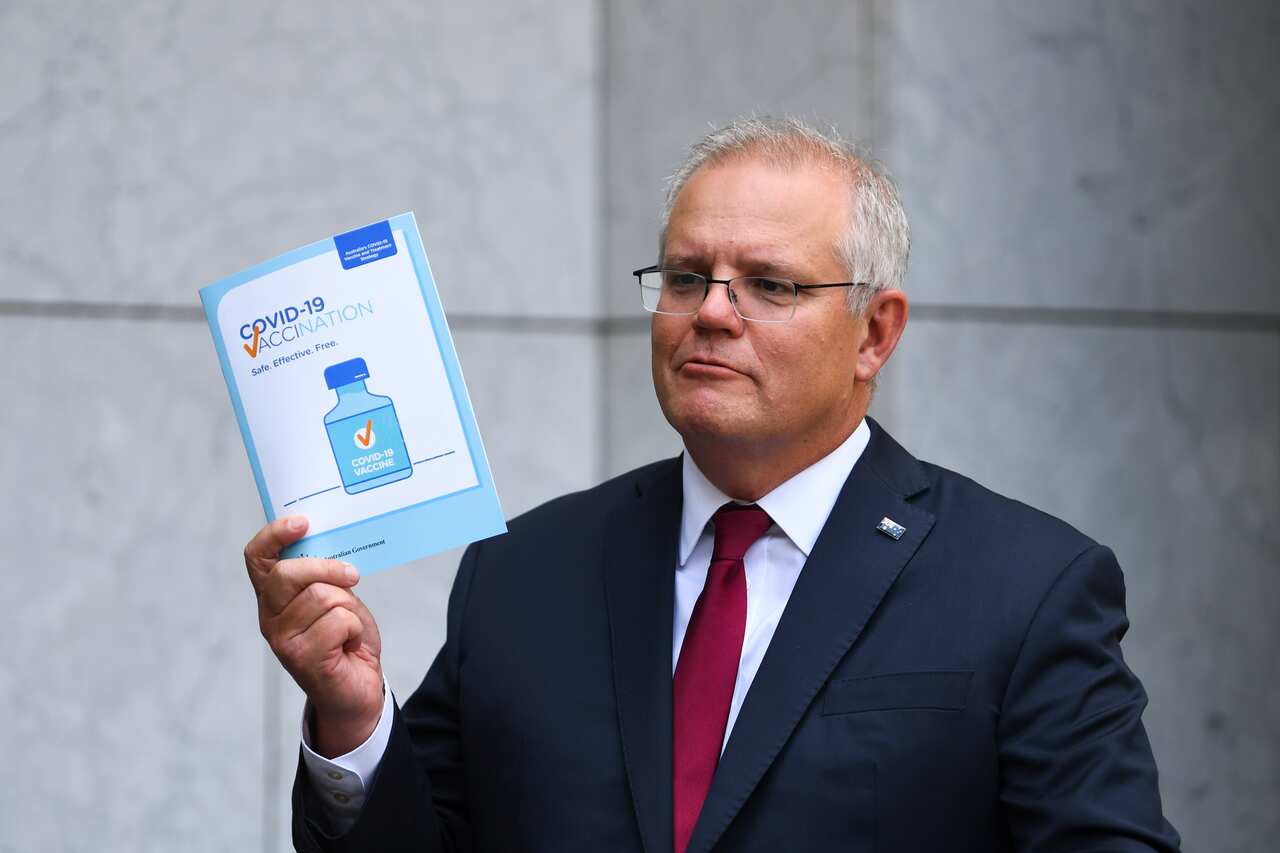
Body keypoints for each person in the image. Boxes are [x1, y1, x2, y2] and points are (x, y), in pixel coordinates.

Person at [244, 117, 1181, 852]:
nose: (713, 313)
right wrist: (354, 717)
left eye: (768, 286)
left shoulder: (1025, 585)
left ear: (874, 333)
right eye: (688, 277)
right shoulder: (523, 570)